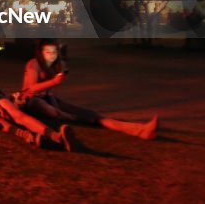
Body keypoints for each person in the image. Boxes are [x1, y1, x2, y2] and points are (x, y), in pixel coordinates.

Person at [17, 39, 158, 140]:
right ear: (40, 52)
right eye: (47, 52)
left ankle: (139, 130)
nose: (51, 55)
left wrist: (57, 77)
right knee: (50, 110)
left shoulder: (56, 65)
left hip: (50, 99)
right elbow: (30, 89)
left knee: (93, 115)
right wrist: (53, 81)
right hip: (33, 102)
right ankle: (72, 118)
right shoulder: (33, 64)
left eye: (54, 52)